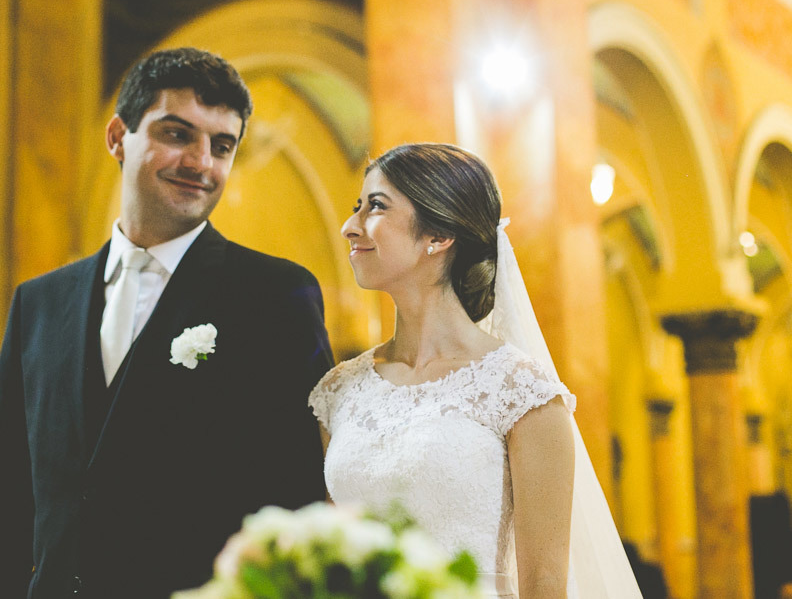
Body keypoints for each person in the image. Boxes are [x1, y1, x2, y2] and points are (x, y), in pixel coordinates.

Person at [0, 48, 333, 598]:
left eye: (222, 146)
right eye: (178, 134)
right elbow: (13, 489)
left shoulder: (276, 296)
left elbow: (295, 498)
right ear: (118, 137)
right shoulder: (38, 303)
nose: (201, 163)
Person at [309, 143, 641, 598]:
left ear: (438, 235)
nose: (350, 226)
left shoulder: (520, 392)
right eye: (357, 207)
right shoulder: (341, 389)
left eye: (376, 207)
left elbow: (545, 584)